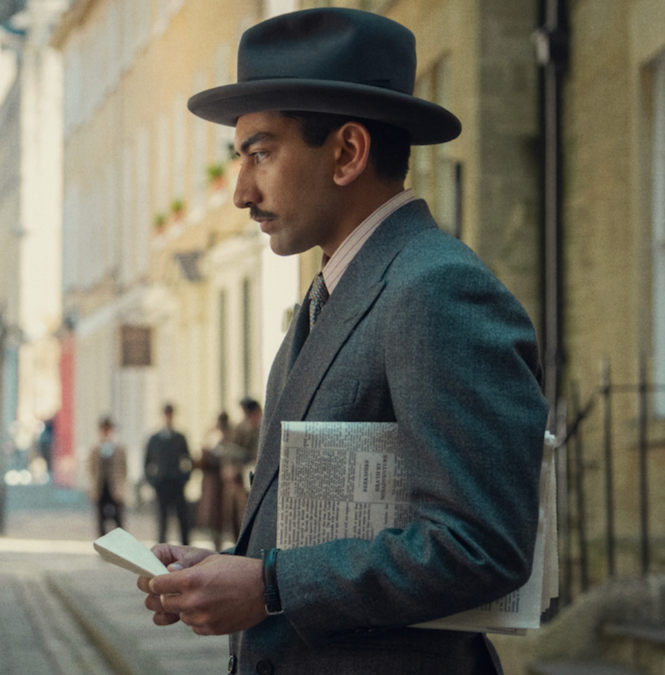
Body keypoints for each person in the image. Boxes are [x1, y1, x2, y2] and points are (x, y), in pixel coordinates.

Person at [136, 9, 548, 674]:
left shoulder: (435, 289)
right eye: (239, 158)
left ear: (348, 152)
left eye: (261, 152)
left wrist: (268, 584)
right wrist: (232, 569)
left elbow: (481, 545)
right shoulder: (334, 290)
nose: (241, 190)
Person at [143, 403, 193, 545]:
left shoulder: (180, 437)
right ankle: (162, 548)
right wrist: (152, 481)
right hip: (162, 484)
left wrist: (185, 478)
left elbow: (188, 459)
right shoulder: (154, 439)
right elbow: (147, 462)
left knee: (182, 519)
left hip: (177, 483)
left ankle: (185, 547)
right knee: (162, 520)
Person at [223, 397, 261, 537]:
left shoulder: (262, 428)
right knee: (236, 513)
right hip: (239, 478)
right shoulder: (240, 427)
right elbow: (231, 449)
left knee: (247, 512)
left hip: (253, 477)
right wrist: (229, 467)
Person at [194, 412, 230, 551]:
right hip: (213, 486)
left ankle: (219, 543)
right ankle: (217, 543)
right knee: (214, 519)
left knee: (221, 518)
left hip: (221, 487)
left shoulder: (227, 440)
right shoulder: (217, 441)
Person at [87, 416, 127, 537]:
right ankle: (103, 542)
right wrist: (93, 487)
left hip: (114, 488)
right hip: (101, 487)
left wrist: (121, 487)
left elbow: (123, 468)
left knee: (118, 518)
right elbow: (91, 468)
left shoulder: (119, 448)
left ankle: (119, 542)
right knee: (100, 519)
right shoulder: (96, 448)